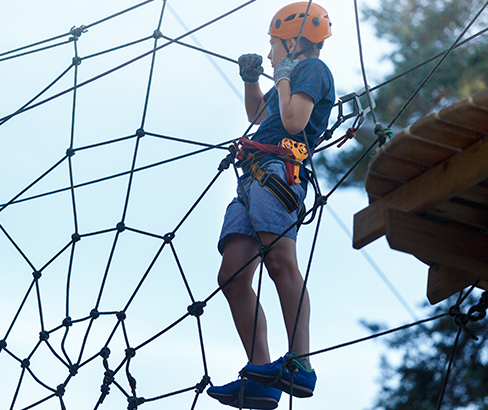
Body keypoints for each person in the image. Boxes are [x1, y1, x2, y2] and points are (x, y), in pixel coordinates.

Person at [207, 2, 335, 409]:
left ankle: (300, 361)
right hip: (255, 175)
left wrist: (282, 76)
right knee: (232, 275)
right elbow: (259, 113)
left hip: (281, 170)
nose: (268, 54)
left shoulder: (313, 71)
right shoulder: (290, 74)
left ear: (294, 43)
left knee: (280, 261)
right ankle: (261, 375)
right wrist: (251, 80)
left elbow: (294, 121)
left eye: (274, 46)